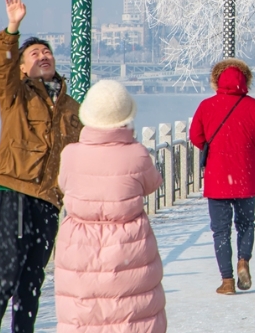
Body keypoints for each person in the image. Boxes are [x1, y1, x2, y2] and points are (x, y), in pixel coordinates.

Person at [0, 0, 83, 333]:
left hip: (49, 199)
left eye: (47, 52)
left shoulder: (71, 107)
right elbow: (1, 67)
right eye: (34, 53)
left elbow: (85, 150)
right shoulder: (16, 94)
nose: (43, 56)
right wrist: (13, 27)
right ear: (23, 66)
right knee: (6, 271)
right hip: (15, 190)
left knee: (33, 279)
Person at [55, 80, 166, 332]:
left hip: (80, 243)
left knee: (84, 314)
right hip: (128, 243)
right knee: (131, 311)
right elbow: (152, 183)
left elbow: (64, 185)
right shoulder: (137, 153)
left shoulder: (70, 153)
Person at [190, 59, 255, 295]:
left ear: (216, 80)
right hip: (245, 175)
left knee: (220, 231)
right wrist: (245, 149)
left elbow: (196, 136)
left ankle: (227, 281)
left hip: (217, 178)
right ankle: (243, 261)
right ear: (246, 80)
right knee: (246, 224)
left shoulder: (206, 106)